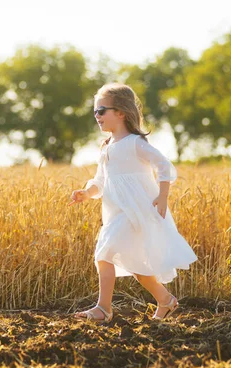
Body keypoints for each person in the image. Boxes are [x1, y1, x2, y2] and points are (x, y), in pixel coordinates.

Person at [69, 83, 197, 322]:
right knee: (135, 264)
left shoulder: (136, 143)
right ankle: (166, 300)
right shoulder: (107, 147)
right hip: (116, 213)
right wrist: (87, 193)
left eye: (101, 110)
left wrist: (163, 195)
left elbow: (163, 166)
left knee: (104, 254)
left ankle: (103, 308)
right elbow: (100, 181)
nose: (96, 116)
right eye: (94, 111)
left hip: (137, 211)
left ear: (121, 112)